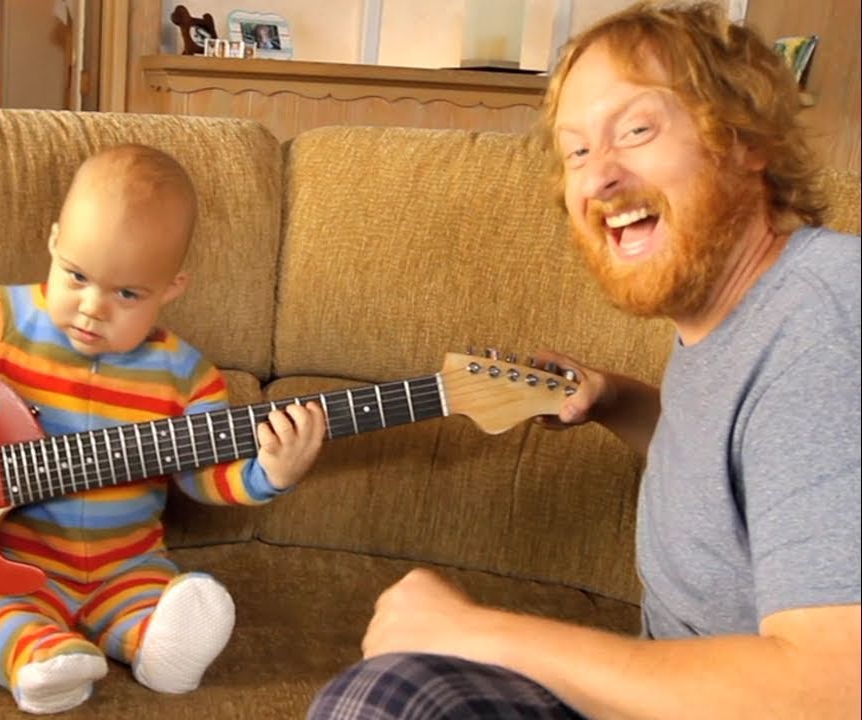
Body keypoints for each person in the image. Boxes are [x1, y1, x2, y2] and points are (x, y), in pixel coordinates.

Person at [307, 2, 860, 718]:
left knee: (389, 697)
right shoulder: (731, 319)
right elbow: (746, 469)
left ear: (745, 140)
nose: (599, 178)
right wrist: (618, 401)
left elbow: (835, 689)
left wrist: (476, 632)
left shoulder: (825, 324)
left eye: (636, 130)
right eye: (576, 152)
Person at [0, 144, 326, 714]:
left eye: (127, 293)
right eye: (76, 276)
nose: (92, 307)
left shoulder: (187, 376)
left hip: (129, 564)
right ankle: (43, 660)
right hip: (10, 558)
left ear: (171, 287)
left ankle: (158, 646)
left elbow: (204, 475)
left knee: (159, 601)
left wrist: (269, 472)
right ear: (53, 242)